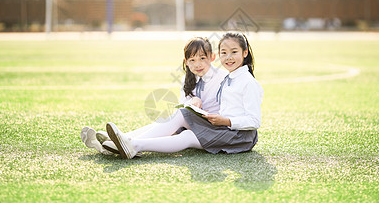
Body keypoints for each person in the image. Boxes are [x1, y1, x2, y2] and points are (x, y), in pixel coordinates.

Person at [106, 32, 263, 159]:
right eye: (224, 53)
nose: (228, 57)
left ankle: (133, 144)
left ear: (245, 52)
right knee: (182, 119)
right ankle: (123, 141)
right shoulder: (231, 77)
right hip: (223, 127)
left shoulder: (245, 82)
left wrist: (225, 120)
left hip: (239, 137)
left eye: (234, 52)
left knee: (186, 133)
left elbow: (254, 121)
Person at [80, 37, 228, 155]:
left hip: (213, 127)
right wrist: (192, 101)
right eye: (192, 60)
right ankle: (115, 143)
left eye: (202, 58)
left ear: (212, 57)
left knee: (177, 117)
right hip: (195, 125)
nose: (198, 64)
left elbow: (228, 110)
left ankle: (126, 142)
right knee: (167, 121)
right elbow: (185, 107)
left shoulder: (222, 77)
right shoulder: (188, 79)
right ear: (186, 62)